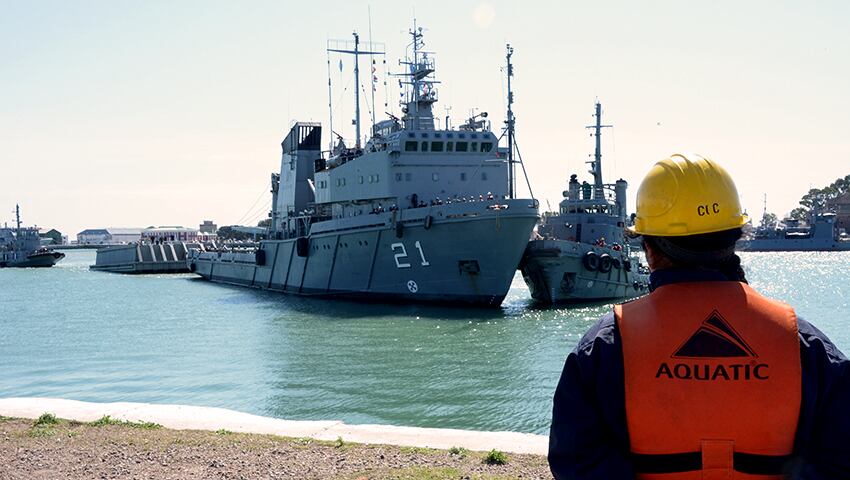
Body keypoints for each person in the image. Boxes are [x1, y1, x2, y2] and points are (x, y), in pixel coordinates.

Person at [548, 154, 850, 479]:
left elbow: (574, 459)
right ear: (736, 236)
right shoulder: (806, 346)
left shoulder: (603, 347)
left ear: (649, 249)